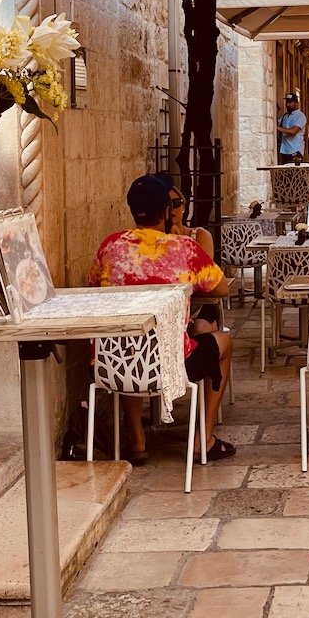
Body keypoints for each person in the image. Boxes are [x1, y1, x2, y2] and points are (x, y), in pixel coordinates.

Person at [88, 173, 235, 465]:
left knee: (129, 342)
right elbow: (220, 288)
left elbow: (94, 283)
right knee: (225, 342)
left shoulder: (109, 247)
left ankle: (137, 439)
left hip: (113, 363)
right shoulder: (185, 250)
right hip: (171, 364)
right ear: (167, 212)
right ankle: (203, 439)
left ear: (131, 210)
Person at [164, 185, 214, 260]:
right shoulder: (156, 238)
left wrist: (180, 242)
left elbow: (206, 269)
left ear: (183, 207)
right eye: (166, 204)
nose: (171, 209)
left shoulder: (200, 235)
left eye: (176, 203)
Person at [277, 91, 306, 163]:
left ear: (296, 103)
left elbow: (293, 131)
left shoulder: (300, 116)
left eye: (290, 102)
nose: (287, 105)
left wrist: (276, 128)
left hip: (295, 150)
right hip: (285, 150)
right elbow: (277, 122)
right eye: (287, 102)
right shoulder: (285, 115)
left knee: (295, 173)